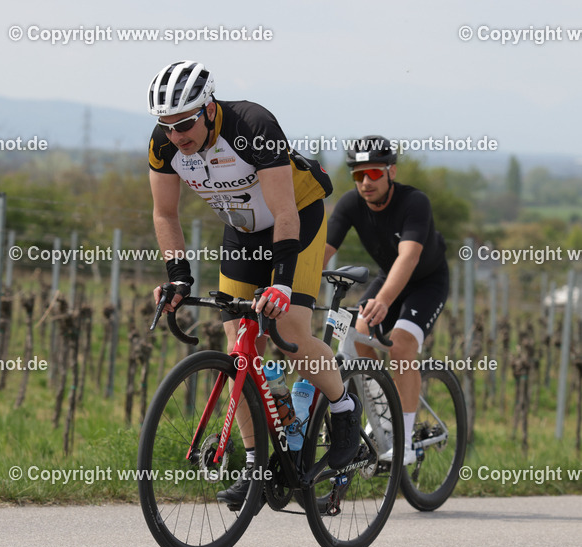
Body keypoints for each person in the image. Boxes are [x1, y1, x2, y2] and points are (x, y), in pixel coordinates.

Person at [146, 60, 362, 509]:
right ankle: (256, 463)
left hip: (296, 218)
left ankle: (343, 408)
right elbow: (165, 213)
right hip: (242, 231)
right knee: (238, 349)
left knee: (291, 336)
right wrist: (178, 277)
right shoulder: (165, 144)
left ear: (208, 110)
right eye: (166, 126)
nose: (176, 135)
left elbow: (284, 212)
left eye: (184, 123)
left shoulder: (253, 125)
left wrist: (282, 284)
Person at [325, 135, 450, 465]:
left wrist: (382, 300)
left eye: (375, 174)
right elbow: (322, 251)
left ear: (391, 171)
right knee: (359, 333)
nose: (366, 182)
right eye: (358, 175)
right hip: (388, 276)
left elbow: (408, 258)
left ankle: (407, 440)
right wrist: (287, 286)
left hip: (426, 282)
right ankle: (382, 419)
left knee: (400, 344)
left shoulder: (414, 202)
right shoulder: (351, 205)